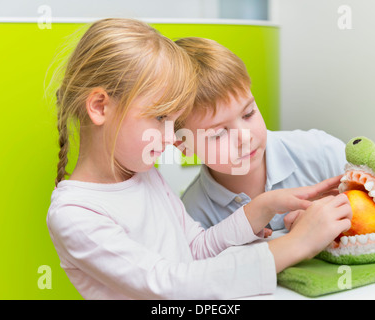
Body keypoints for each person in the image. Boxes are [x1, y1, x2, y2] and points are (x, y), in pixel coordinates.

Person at [47, 18, 352, 300]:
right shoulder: (74, 214)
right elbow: (169, 285)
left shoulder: (145, 176)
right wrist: (296, 244)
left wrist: (263, 206)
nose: (170, 138)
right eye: (160, 118)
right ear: (100, 106)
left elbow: (196, 248)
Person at [175, 37, 347, 232]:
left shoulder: (322, 152)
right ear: (183, 145)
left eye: (248, 114)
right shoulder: (192, 215)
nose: (245, 138)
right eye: (218, 133)